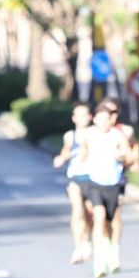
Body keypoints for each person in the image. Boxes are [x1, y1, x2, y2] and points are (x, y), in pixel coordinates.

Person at [78, 99, 135, 278]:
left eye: (106, 119)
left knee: (112, 220)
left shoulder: (118, 135)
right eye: (99, 119)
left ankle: (113, 251)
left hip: (113, 184)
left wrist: (122, 157)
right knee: (99, 216)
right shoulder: (88, 134)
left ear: (111, 120)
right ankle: (98, 262)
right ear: (94, 119)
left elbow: (128, 154)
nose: (103, 123)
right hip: (95, 183)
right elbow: (82, 152)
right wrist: (81, 158)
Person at [52, 103, 96, 264]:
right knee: (77, 210)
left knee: (90, 213)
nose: (81, 119)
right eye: (78, 115)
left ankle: (87, 240)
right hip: (76, 178)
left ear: (90, 117)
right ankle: (78, 248)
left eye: (85, 115)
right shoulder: (70, 135)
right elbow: (66, 150)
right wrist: (61, 158)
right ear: (74, 118)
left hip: (94, 178)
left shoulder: (95, 134)